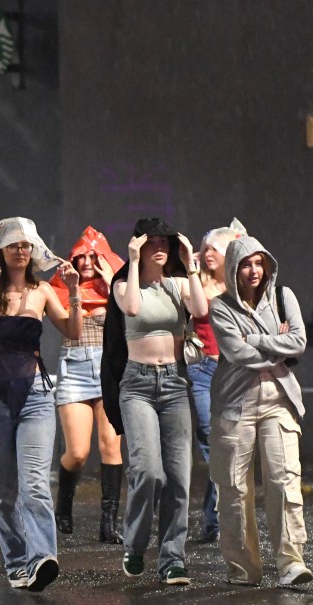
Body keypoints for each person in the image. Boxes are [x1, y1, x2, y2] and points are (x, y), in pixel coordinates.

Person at [0, 217, 81, 591]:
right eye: (14, 246)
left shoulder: (42, 291)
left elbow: (73, 332)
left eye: (27, 246)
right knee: (4, 492)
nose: (22, 252)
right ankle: (16, 563)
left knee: (36, 486)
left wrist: (73, 292)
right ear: (0, 252)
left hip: (36, 395)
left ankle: (42, 558)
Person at [101, 217, 205, 586]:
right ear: (139, 247)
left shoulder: (178, 284)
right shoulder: (122, 284)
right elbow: (130, 308)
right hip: (137, 385)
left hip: (175, 383)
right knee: (147, 471)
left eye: (165, 241)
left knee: (179, 476)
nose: (160, 248)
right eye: (152, 242)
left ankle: (172, 558)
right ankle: (135, 545)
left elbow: (202, 308)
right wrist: (130, 261)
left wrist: (190, 261)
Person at [208, 235, 311, 588]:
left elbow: (298, 342)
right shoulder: (220, 307)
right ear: (233, 270)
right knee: (235, 489)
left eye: (258, 263)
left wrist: (255, 339)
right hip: (235, 406)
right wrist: (274, 344)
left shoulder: (284, 298)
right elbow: (237, 353)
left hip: (278, 401)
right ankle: (243, 568)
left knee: (284, 480)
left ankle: (291, 563)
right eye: (245, 265)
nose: (253, 271)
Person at [50, 226, 125, 544]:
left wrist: (112, 280)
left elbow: (131, 315)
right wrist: (76, 291)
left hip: (109, 370)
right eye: (82, 256)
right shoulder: (62, 287)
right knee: (78, 453)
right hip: (76, 368)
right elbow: (72, 331)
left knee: (111, 445)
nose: (87, 262)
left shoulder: (118, 287)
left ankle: (108, 524)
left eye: (95, 256)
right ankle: (63, 505)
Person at [189, 219, 244, 544]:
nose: (208, 253)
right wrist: (192, 270)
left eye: (215, 249)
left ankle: (218, 517)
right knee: (212, 442)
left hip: (233, 371)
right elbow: (192, 308)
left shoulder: (240, 288)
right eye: (205, 247)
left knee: (230, 443)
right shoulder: (197, 284)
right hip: (201, 369)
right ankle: (217, 519)